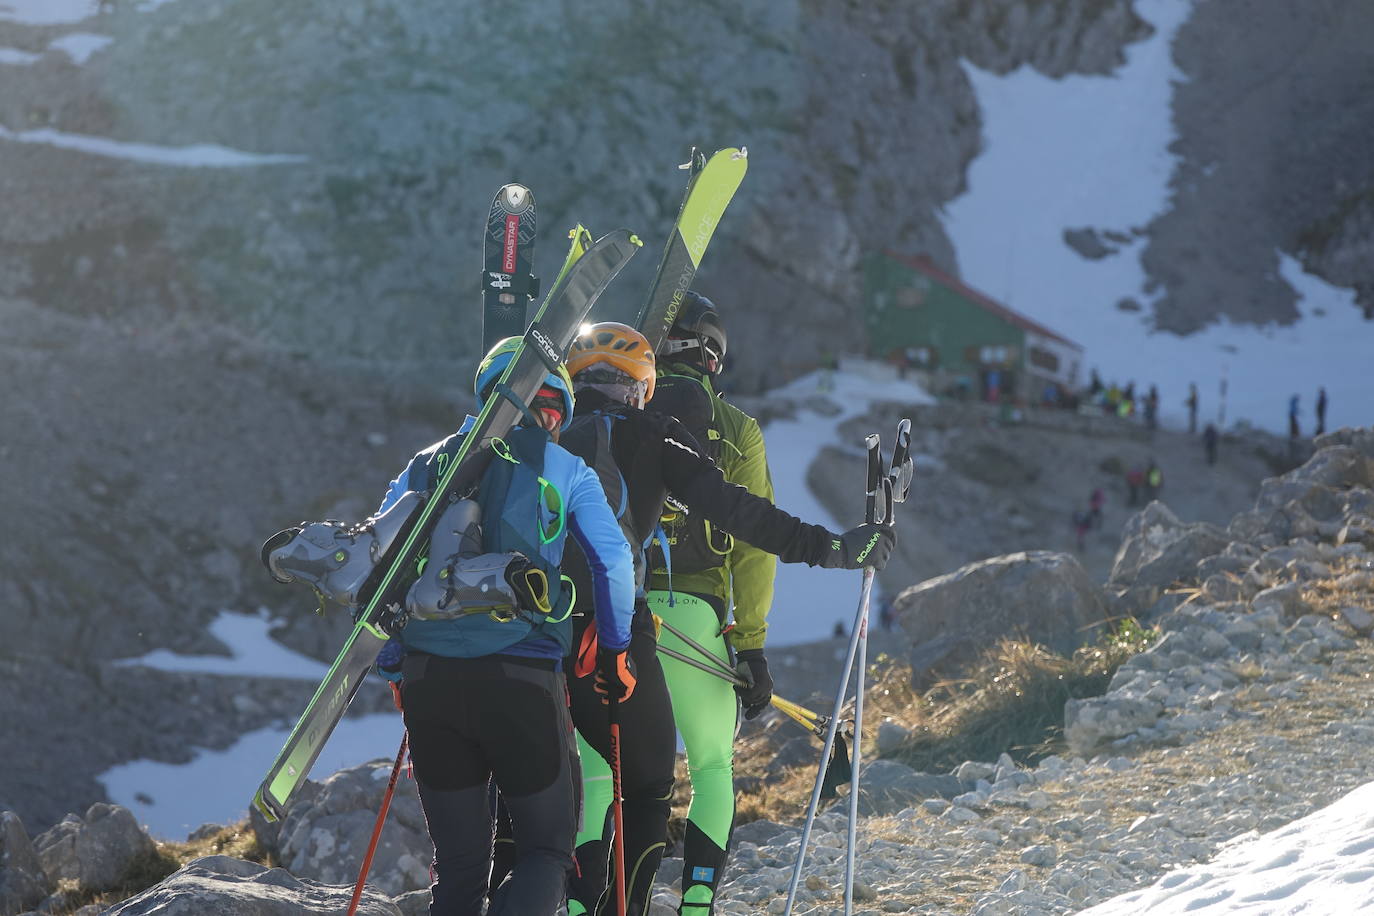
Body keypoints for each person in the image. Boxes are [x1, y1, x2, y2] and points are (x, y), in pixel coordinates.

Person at [550, 322, 895, 916]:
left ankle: (582, 907)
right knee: (706, 767)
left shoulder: (546, 444)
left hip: (570, 635)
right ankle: (697, 903)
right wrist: (763, 633)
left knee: (600, 778)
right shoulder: (692, 433)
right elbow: (749, 527)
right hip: (679, 628)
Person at [364, 338, 638, 915]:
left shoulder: (425, 464)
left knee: (461, 868)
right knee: (545, 851)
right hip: (522, 675)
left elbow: (383, 566)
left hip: (428, 679)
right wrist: (614, 652)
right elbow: (613, 563)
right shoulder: (565, 468)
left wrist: (394, 663)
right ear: (558, 407)